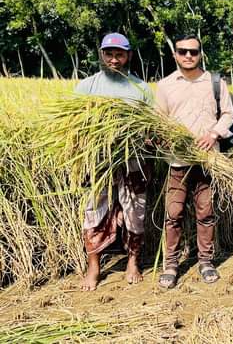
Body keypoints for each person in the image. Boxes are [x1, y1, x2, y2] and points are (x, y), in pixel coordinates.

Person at [155, 34, 233, 288]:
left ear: (200, 54)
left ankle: (206, 262)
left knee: (206, 212)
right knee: (174, 213)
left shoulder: (214, 82)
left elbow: (229, 114)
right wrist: (167, 139)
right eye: (183, 51)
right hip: (177, 162)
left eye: (193, 51)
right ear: (175, 54)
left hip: (208, 162)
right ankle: (171, 265)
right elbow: (160, 121)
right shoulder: (165, 85)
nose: (188, 56)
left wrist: (213, 134)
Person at [76, 32, 153, 291]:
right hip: (98, 163)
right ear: (101, 55)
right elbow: (74, 127)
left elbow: (152, 127)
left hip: (133, 162)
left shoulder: (141, 89)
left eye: (119, 54)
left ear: (128, 55)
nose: (114, 59)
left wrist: (147, 138)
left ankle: (133, 262)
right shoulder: (87, 87)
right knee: (93, 211)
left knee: (135, 212)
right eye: (108, 54)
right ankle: (94, 267)